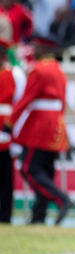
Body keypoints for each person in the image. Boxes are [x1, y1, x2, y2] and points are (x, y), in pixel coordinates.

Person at [9, 34, 72, 224]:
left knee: (28, 167)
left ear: (43, 50)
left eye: (36, 48)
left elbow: (27, 98)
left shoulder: (39, 70)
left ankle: (61, 199)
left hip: (41, 124)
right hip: (56, 123)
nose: (33, 51)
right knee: (46, 168)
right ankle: (39, 216)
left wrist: (11, 121)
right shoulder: (58, 69)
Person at [0, 37, 25, 223]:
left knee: (5, 176)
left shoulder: (14, 74)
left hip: (5, 130)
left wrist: (13, 132)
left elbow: (19, 102)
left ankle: (5, 215)